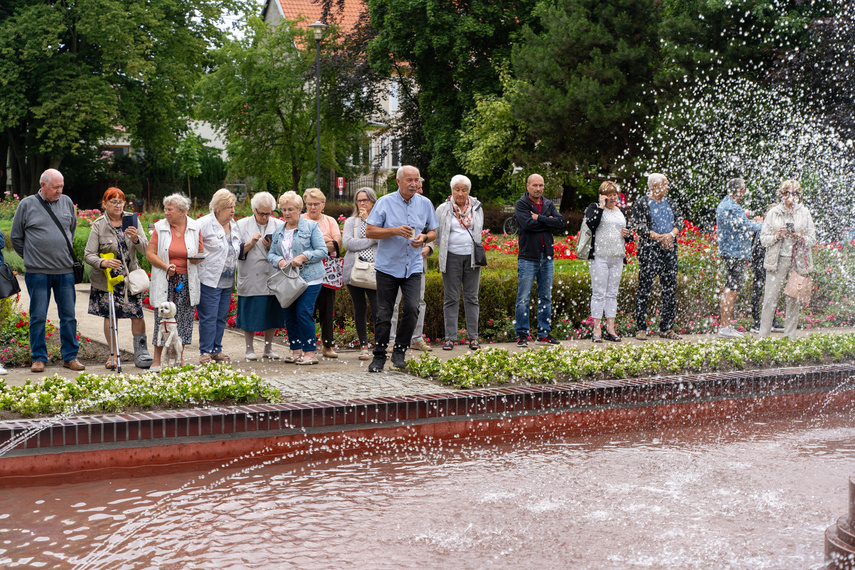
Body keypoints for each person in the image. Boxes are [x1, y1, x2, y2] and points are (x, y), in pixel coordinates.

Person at [10, 168, 85, 373]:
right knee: (38, 316)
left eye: (61, 186)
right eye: (55, 187)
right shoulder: (27, 205)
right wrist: (31, 257)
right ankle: (38, 358)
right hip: (38, 272)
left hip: (65, 271)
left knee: (68, 316)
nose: (59, 191)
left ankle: (70, 357)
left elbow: (71, 229)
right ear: (43, 185)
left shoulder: (67, 202)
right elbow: (16, 236)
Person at [365, 165, 438, 372]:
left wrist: (424, 237)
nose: (414, 184)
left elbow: (433, 231)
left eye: (417, 180)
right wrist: (394, 231)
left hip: (412, 266)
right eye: (409, 180)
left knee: (413, 308)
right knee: (384, 313)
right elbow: (370, 231)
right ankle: (379, 356)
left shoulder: (425, 203)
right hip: (388, 267)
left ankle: (399, 351)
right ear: (398, 181)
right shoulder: (385, 202)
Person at [83, 187, 152, 369]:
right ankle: (113, 355)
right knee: (110, 316)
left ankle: (141, 353)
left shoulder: (133, 220)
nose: (118, 205)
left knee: (136, 313)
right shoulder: (99, 224)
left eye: (120, 201)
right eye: (113, 202)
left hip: (129, 278)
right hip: (107, 280)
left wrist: (136, 239)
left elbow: (146, 249)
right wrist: (103, 263)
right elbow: (88, 254)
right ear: (104, 204)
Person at [145, 193, 204, 372]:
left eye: (169, 209)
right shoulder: (159, 227)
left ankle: (180, 358)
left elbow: (201, 252)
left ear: (182, 211)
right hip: (166, 278)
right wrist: (165, 266)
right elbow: (150, 254)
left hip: (187, 280)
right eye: (165, 209)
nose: (166, 213)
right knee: (162, 318)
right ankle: (157, 360)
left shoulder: (194, 226)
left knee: (184, 320)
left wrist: (196, 258)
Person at [268, 191, 328, 365]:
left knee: (303, 313)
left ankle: (310, 353)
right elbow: (271, 253)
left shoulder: (310, 227)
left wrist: (304, 256)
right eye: (284, 210)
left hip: (310, 278)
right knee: (289, 314)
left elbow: (322, 251)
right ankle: (296, 351)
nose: (287, 213)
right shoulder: (279, 231)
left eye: (291, 209)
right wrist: (278, 260)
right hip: (289, 279)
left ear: (300, 209)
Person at [758, 180, 817, 338]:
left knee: (793, 300)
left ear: (799, 196)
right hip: (776, 261)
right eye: (787, 192)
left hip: (797, 262)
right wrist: (777, 235)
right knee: (770, 299)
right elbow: (763, 239)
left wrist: (799, 237)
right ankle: (763, 338)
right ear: (781, 194)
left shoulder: (804, 212)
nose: (791, 196)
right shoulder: (773, 213)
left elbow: (812, 239)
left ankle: (790, 338)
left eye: (795, 193)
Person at [631, 173, 684, 341]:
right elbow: (639, 226)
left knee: (670, 289)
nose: (668, 187)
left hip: (669, 249)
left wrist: (671, 235)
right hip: (650, 250)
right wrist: (659, 237)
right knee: (644, 289)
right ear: (654, 186)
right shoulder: (642, 203)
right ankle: (641, 328)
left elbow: (680, 221)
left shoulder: (671, 203)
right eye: (665, 184)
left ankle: (667, 328)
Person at [513, 173, 565, 347]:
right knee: (523, 298)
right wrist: (547, 221)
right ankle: (522, 334)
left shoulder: (548, 203)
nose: (538, 189)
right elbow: (527, 225)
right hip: (528, 257)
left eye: (541, 185)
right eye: (535, 185)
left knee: (546, 297)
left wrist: (539, 218)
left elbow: (560, 222)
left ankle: (543, 334)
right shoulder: (521, 204)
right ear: (527, 186)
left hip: (547, 257)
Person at [435, 174, 484, 351]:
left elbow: (478, 231)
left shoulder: (477, 208)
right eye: (457, 189)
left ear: (468, 191)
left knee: (472, 298)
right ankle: (450, 338)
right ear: (452, 190)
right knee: (451, 298)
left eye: (464, 190)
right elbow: (437, 234)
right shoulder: (442, 209)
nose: (460, 193)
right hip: (451, 257)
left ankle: (473, 338)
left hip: (472, 259)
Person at [235, 191, 285, 360]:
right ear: (254, 210)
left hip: (271, 275)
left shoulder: (278, 224)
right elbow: (234, 251)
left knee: (272, 312)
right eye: (261, 213)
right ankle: (249, 349)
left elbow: (285, 251)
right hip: (251, 276)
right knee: (249, 312)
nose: (265, 217)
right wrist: (250, 243)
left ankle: (268, 348)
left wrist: (272, 248)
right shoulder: (241, 225)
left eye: (268, 213)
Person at [583, 181, 632, 343]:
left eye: (615, 194)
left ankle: (611, 328)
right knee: (598, 293)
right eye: (610, 195)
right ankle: (597, 329)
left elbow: (630, 234)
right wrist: (601, 207)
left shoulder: (622, 212)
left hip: (617, 257)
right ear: (603, 195)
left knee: (612, 293)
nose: (613, 198)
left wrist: (627, 234)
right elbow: (591, 224)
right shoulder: (594, 208)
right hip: (599, 257)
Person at [389, 176, 434, 352]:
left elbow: (431, 231)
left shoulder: (425, 205)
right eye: (416, 186)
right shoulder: (394, 205)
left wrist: (428, 247)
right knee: (393, 302)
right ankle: (391, 340)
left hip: (417, 263)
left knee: (418, 302)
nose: (418, 190)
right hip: (395, 262)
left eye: (420, 187)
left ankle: (416, 338)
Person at [197, 189, 241, 364]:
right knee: (209, 316)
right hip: (209, 278)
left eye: (233, 207)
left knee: (221, 315)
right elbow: (193, 247)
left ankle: (217, 349)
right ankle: (205, 351)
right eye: (229, 207)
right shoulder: (204, 223)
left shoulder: (234, 225)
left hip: (227, 279)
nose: (232, 211)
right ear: (218, 207)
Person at [715, 178, 763, 338]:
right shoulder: (731, 206)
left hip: (730, 252)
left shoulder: (725, 204)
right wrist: (764, 224)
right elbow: (747, 226)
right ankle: (725, 327)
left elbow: (741, 224)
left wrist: (751, 221)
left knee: (731, 287)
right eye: (744, 189)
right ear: (740, 190)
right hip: (734, 253)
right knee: (732, 289)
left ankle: (725, 326)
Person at [302, 188, 342, 359]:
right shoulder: (300, 220)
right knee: (306, 309)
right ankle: (307, 345)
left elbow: (337, 244)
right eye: (309, 204)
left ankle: (327, 346)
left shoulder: (330, 221)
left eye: (316, 204)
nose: (312, 207)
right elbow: (300, 245)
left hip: (328, 271)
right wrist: (324, 240)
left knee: (327, 308)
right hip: (306, 271)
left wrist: (317, 243)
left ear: (323, 205)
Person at [342, 188, 379, 360]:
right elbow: (348, 243)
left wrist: (369, 222)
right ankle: (364, 345)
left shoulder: (380, 221)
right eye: (359, 200)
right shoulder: (351, 221)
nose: (362, 203)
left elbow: (384, 239)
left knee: (379, 309)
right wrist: (371, 240)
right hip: (355, 269)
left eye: (365, 200)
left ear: (373, 201)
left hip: (375, 270)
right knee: (360, 308)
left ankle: (380, 346)